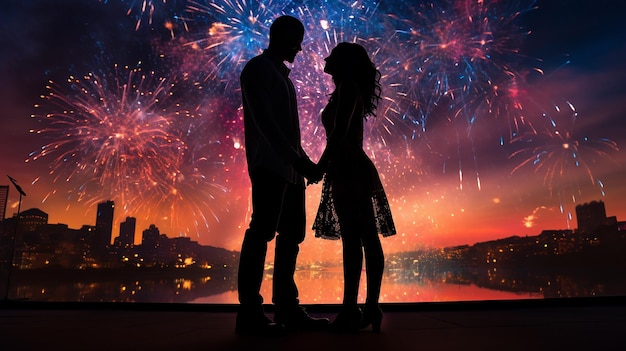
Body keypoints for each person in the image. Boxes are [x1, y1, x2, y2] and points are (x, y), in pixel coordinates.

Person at [236, 15, 328, 336]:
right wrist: (302, 164)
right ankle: (251, 313)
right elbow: (267, 126)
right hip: (270, 168)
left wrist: (304, 164)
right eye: (297, 40)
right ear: (284, 38)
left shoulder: (279, 76)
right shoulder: (259, 70)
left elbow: (289, 137)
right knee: (262, 232)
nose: (301, 48)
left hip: (288, 170)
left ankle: (285, 309)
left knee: (291, 237)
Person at [312, 42, 396, 333]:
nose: (326, 57)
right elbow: (338, 136)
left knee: (364, 237)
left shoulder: (348, 88)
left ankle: (364, 307)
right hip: (343, 169)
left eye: (332, 55)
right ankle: (358, 308)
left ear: (344, 62)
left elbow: (338, 134)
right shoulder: (344, 90)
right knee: (356, 238)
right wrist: (326, 168)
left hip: (350, 169)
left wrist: (319, 167)